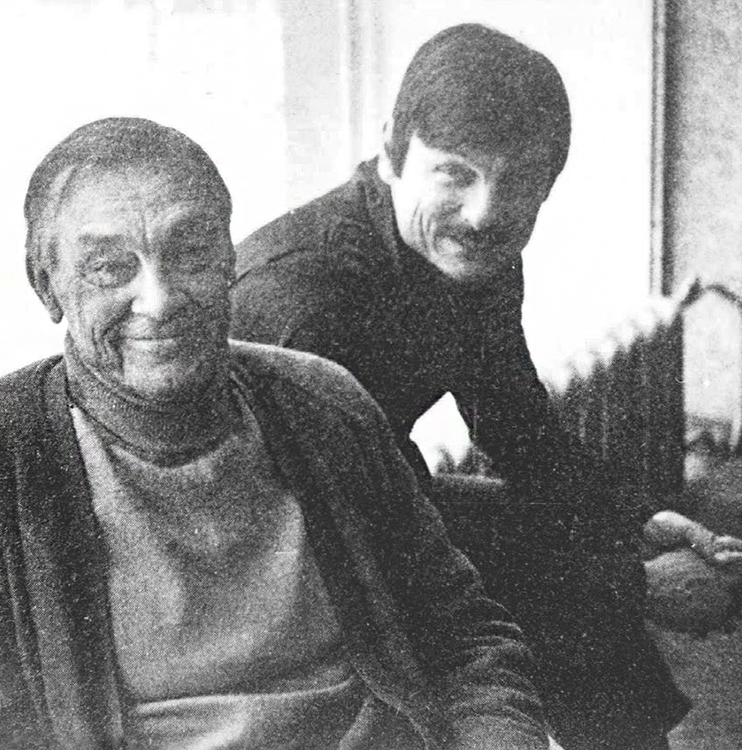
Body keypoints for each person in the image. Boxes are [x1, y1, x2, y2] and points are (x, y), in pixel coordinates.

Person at [0, 117, 555, 750]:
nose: (159, 300)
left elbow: (467, 640)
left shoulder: (323, 403)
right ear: (47, 285)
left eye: (191, 253)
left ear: (230, 261)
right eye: (110, 267)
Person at [230, 23, 691, 750]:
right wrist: (634, 586)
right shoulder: (308, 299)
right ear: (392, 152)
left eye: (520, 182)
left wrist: (638, 522)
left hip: (366, 505)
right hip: (257, 568)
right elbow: (366, 540)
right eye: (454, 173)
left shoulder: (468, 252)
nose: (486, 213)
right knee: (556, 586)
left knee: (550, 558)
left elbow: (519, 431)